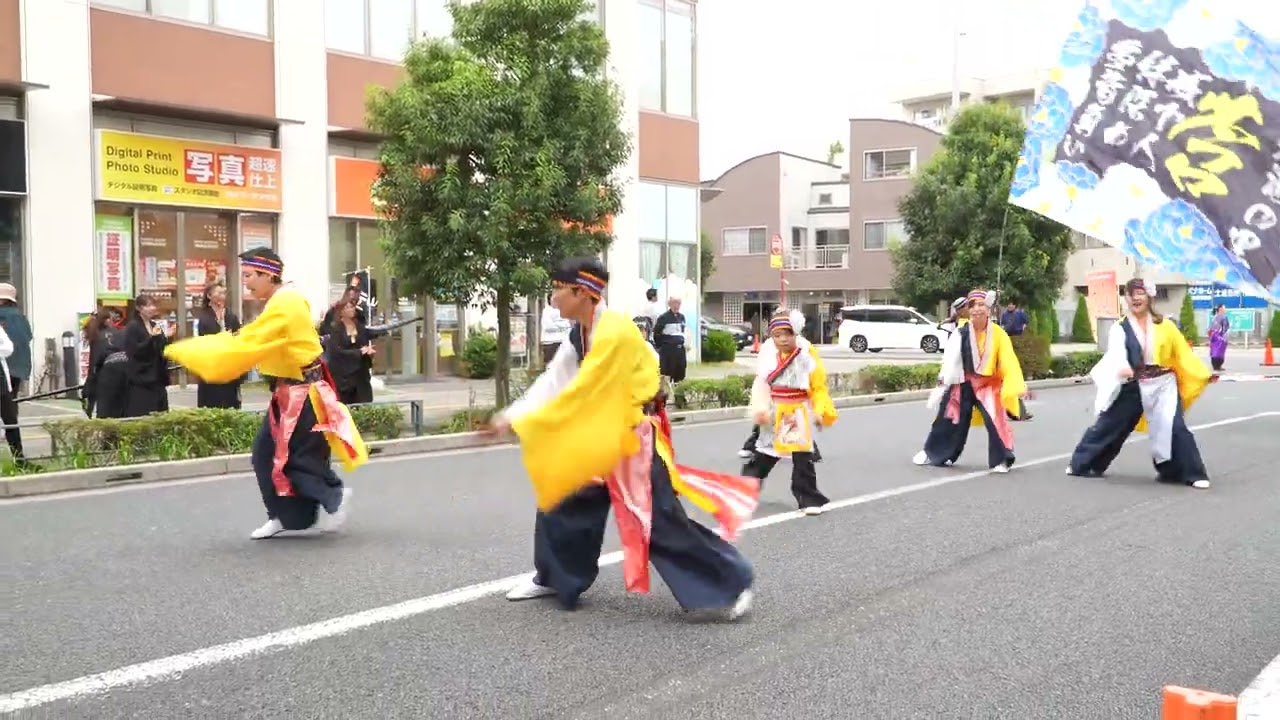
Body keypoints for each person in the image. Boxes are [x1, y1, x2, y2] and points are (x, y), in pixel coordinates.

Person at [492, 256, 756, 619]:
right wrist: (510, 417)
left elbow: (584, 391)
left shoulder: (613, 332)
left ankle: (729, 584)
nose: (552, 297)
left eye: (557, 289)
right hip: (599, 435)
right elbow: (555, 381)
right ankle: (556, 577)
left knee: (659, 522)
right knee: (560, 497)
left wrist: (531, 423)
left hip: (629, 440)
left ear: (582, 292)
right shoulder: (579, 333)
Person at [164, 248, 368, 539]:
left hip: (304, 395)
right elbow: (254, 337)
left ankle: (333, 497)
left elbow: (251, 339)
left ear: (268, 274)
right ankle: (287, 517)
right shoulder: (281, 300)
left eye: (249, 276)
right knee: (265, 455)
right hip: (289, 392)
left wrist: (204, 353)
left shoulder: (287, 302)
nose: (246, 283)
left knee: (296, 458)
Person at [1066, 279, 1213, 489]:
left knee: (1173, 426)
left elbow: (1183, 354)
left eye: (1140, 293)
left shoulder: (1166, 326)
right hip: (1135, 382)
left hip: (1163, 383)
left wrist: (1203, 373)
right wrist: (1123, 366)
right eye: (1131, 294)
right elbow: (1116, 352)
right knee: (1112, 423)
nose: (1136, 298)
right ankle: (1081, 463)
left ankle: (1189, 472)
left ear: (1149, 297)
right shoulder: (1120, 327)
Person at [913, 290, 1026, 472]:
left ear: (988, 308)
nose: (977, 309)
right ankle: (934, 452)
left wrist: (1013, 385)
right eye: (972, 305)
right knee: (948, 416)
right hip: (963, 381)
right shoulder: (961, 332)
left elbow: (1008, 361)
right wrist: (942, 386)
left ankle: (1002, 459)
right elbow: (950, 362)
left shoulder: (999, 334)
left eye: (981, 305)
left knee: (996, 419)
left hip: (988, 384)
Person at [740, 309, 838, 515]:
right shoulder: (769, 355)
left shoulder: (806, 354)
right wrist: (759, 408)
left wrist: (819, 410)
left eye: (787, 333)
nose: (783, 339)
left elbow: (818, 386)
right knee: (766, 454)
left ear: (796, 333)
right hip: (775, 410)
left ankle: (808, 497)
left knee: (802, 455)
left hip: (796, 411)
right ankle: (746, 487)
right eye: (777, 335)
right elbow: (761, 384)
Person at [736, 308, 825, 463]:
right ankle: (753, 447)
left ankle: (807, 453)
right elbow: (763, 372)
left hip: (795, 396)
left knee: (796, 422)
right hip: (774, 392)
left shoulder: (802, 344)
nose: (783, 337)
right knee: (769, 421)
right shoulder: (769, 346)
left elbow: (813, 373)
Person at [122, 294, 175, 417]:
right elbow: (135, 351)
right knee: (144, 413)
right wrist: (152, 339)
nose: (152, 308)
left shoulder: (154, 325)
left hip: (157, 376)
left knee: (161, 413)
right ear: (139, 308)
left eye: (153, 305)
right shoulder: (133, 327)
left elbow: (161, 348)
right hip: (141, 378)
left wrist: (168, 337)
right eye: (148, 305)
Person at [194, 282, 244, 409]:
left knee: (230, 401)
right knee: (212, 401)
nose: (222, 295)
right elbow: (205, 341)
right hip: (212, 367)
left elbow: (239, 336)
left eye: (223, 293)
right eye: (219, 292)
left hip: (229, 366)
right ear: (209, 296)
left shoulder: (230, 316)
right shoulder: (204, 317)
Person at [324, 298, 376, 405]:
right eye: (346, 307)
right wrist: (358, 352)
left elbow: (364, 345)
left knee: (363, 402)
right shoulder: (335, 329)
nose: (350, 309)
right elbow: (336, 352)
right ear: (341, 311)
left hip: (360, 373)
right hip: (343, 376)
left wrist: (369, 353)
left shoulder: (360, 328)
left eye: (352, 307)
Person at [0, 283, 31, 461]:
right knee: (10, 410)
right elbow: (29, 336)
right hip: (19, 367)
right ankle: (19, 458)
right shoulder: (21, 317)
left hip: (5, 368)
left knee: (7, 407)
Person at [82, 308, 129, 418]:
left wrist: (88, 391)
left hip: (109, 375)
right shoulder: (121, 333)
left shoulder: (97, 337)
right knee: (123, 412)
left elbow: (94, 366)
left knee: (107, 414)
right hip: (126, 372)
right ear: (108, 320)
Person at [652, 295, 688, 383]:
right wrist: (661, 346)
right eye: (674, 303)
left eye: (678, 303)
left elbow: (682, 332)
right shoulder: (664, 318)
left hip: (680, 349)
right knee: (668, 374)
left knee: (680, 372)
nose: (676, 306)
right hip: (668, 349)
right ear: (670, 304)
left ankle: (678, 393)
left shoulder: (682, 317)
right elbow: (657, 333)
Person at [540, 297, 571, 365]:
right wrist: (563, 327)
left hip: (564, 341)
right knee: (551, 365)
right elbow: (548, 327)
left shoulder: (564, 309)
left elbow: (569, 324)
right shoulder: (547, 310)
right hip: (551, 342)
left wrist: (561, 326)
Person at [1208, 304, 1229, 372]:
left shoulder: (1214, 317)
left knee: (1214, 351)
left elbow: (1210, 328)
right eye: (1224, 308)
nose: (1225, 309)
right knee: (1219, 352)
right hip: (1219, 337)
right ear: (1220, 309)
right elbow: (1225, 328)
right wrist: (1224, 337)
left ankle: (1216, 366)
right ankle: (1218, 366)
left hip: (1214, 336)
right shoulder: (1223, 317)